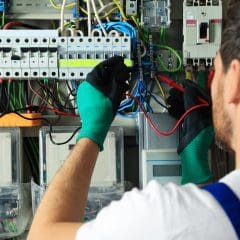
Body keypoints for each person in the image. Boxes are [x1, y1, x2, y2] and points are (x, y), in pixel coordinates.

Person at [27, 0, 240, 239]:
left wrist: (92, 132)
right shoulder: (179, 218)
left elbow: (42, 235)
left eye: (214, 71)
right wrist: (195, 165)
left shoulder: (162, 216)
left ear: (235, 81)